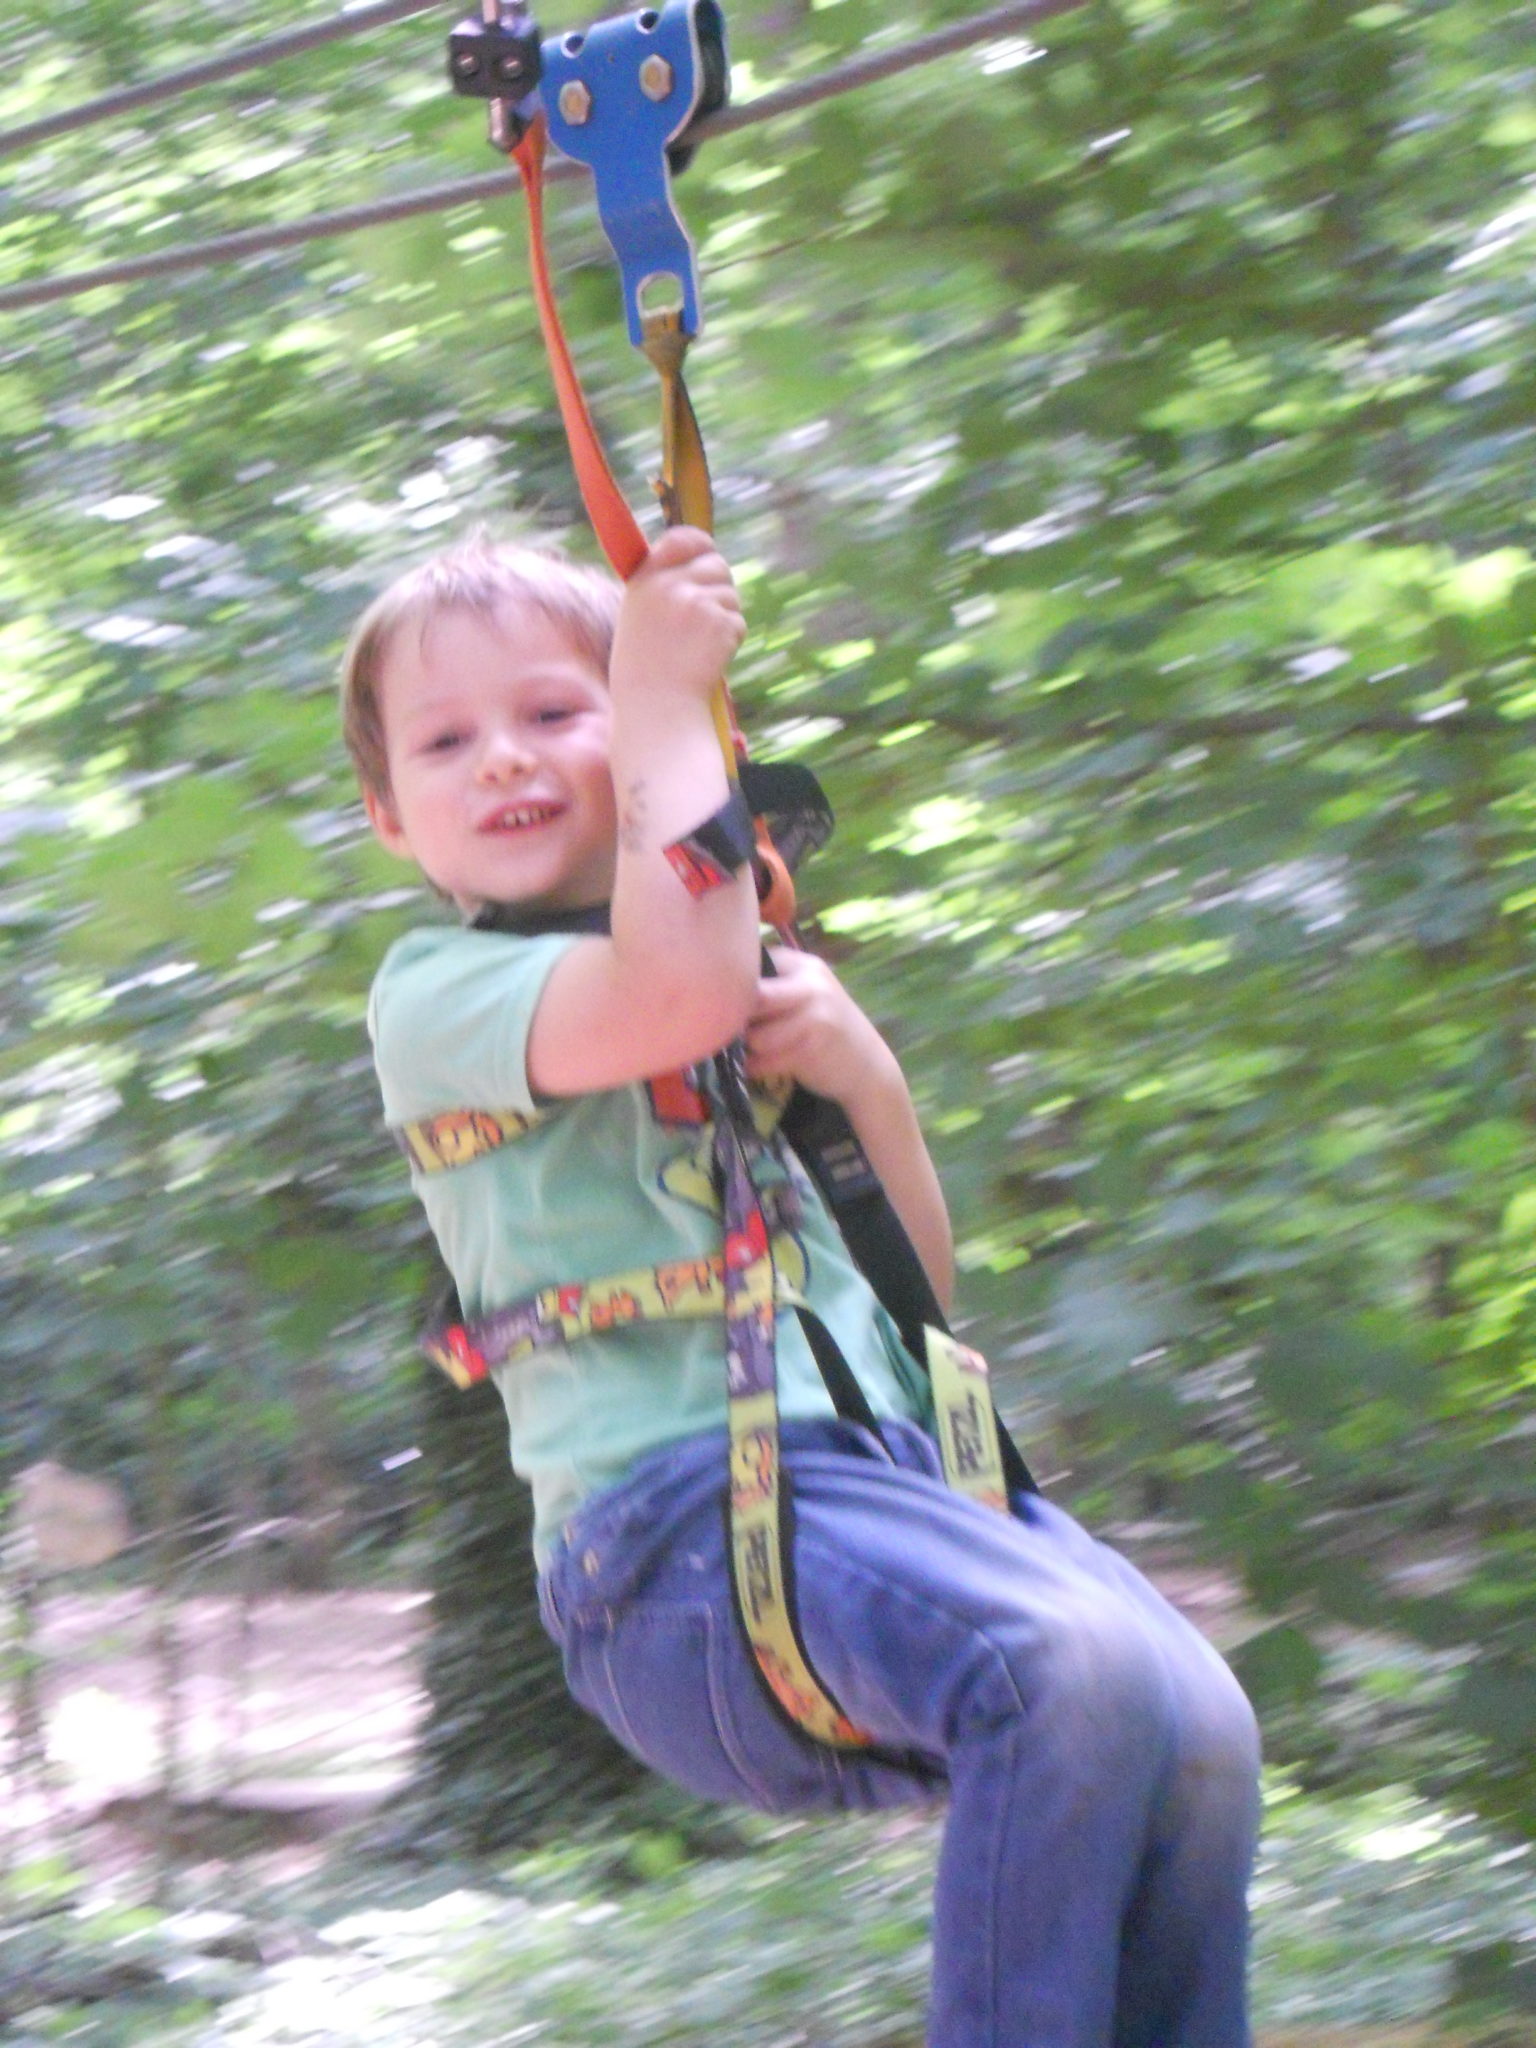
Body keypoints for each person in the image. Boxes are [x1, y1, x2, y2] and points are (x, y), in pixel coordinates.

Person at [342, 523, 1263, 2048]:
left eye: (558, 712)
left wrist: (864, 1075)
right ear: (390, 814)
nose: (504, 757)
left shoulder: (739, 978)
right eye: (447, 741)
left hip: (884, 1491)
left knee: (1201, 1725)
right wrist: (660, 702)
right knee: (1065, 1668)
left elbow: (915, 1302)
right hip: (677, 1548)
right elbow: (669, 987)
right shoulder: (441, 998)